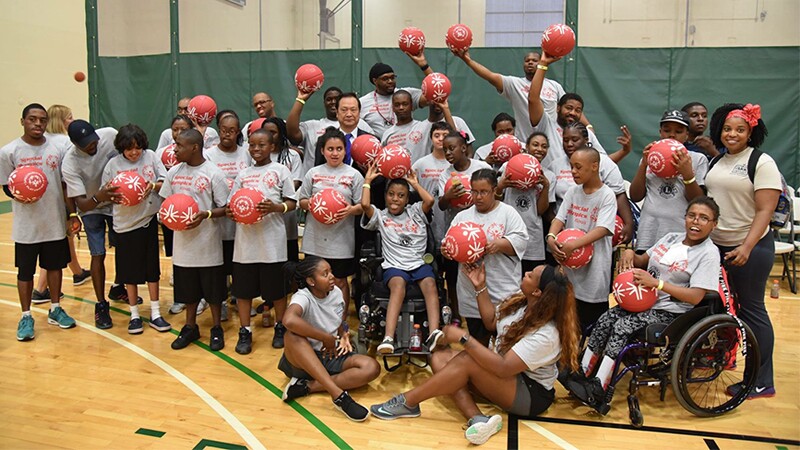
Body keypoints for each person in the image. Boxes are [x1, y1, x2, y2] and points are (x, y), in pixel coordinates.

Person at [370, 262, 579, 446]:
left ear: (537, 293)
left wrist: (463, 338)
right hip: (506, 376)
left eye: (531, 275)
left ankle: (409, 401)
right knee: (439, 357)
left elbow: (504, 367)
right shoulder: (522, 303)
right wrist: (480, 286)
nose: (526, 273)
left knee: (467, 359)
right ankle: (477, 419)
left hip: (530, 394)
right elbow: (490, 322)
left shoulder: (547, 334)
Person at [565, 197, 722, 409]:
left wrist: (657, 284)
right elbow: (641, 261)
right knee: (606, 318)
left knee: (622, 326)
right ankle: (582, 372)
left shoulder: (708, 253)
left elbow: (695, 296)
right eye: (692, 215)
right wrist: (630, 252)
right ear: (684, 217)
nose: (696, 221)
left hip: (673, 312)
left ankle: (599, 387)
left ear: (714, 224)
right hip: (646, 302)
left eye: (704, 218)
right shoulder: (671, 238)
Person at [704, 103, 780, 399]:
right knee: (722, 308)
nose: (732, 134)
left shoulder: (761, 162)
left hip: (751, 248)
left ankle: (761, 381)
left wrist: (746, 246)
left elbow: (765, 210)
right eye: (727, 128)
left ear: (751, 132)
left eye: (740, 129)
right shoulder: (717, 162)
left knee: (752, 312)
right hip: (718, 247)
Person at [1, 104, 78, 340]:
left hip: (53, 221)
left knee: (55, 267)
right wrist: (22, 194)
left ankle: (55, 309)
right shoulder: (9, 151)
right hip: (26, 226)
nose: (38, 124)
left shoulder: (58, 146)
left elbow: (65, 183)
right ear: (22, 120)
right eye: (32, 119)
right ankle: (26, 316)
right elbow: (6, 186)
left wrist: (71, 214)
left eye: (42, 120)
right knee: (25, 272)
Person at [279, 257, 381, 422]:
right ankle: (339, 396)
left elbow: (339, 321)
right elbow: (289, 320)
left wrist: (344, 334)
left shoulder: (337, 292)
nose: (332, 276)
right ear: (311, 281)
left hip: (331, 354)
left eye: (331, 271)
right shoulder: (303, 296)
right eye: (325, 274)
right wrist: (324, 337)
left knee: (372, 367)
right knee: (291, 335)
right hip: (304, 359)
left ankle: (307, 387)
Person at [226, 129, 297, 354]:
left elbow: (292, 203)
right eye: (252, 145)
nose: (256, 149)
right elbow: (231, 204)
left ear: (272, 147)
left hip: (272, 243)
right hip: (245, 244)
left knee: (276, 291)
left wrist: (276, 207)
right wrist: (232, 211)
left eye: (262, 145)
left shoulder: (280, 171)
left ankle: (280, 326)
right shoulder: (243, 174)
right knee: (244, 291)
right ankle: (245, 331)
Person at [361, 163, 443, 354]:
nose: (395, 199)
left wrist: (415, 183)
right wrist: (367, 181)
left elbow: (429, 200)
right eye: (391, 194)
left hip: (418, 263)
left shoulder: (415, 212)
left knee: (430, 284)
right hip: (395, 266)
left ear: (407, 199)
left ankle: (433, 333)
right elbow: (365, 205)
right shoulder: (380, 216)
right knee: (398, 286)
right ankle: (388, 337)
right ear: (385, 196)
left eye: (401, 195)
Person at [160, 129, 230, 351]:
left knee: (213, 292)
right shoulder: (173, 173)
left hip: (208, 244)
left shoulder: (213, 173)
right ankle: (190, 326)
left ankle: (216, 327)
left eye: (179, 145)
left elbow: (225, 207)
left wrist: (205, 215)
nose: (175, 149)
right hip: (183, 243)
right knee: (187, 290)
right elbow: (165, 202)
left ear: (194, 147)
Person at [101, 124, 171, 335]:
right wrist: (117, 193)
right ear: (121, 148)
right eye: (129, 148)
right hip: (124, 225)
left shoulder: (150, 156)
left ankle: (156, 313)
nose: (134, 152)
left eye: (137, 148)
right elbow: (106, 192)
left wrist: (152, 186)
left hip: (147, 221)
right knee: (129, 273)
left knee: (152, 271)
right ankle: (133, 314)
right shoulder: (113, 164)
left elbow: (166, 180)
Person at [444, 169, 528, 345]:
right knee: (478, 345)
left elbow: (521, 241)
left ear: (494, 190)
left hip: (503, 292)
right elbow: (448, 242)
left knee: (506, 342)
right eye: (474, 191)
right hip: (471, 294)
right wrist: (447, 250)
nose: (478, 197)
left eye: (484, 192)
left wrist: (500, 244)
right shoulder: (463, 216)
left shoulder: (508, 213)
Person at [296, 128, 365, 321]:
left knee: (340, 281)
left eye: (339, 149)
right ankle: (314, 321)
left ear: (345, 151)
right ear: (322, 151)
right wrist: (310, 204)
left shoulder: (354, 175)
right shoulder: (313, 173)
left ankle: (339, 323)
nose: (335, 153)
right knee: (314, 282)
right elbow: (301, 200)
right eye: (330, 149)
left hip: (341, 239)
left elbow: (362, 206)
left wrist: (351, 210)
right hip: (315, 238)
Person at [547, 147, 617, 331]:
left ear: (594, 166)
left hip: (595, 272)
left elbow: (602, 229)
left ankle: (589, 359)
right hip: (570, 271)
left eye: (578, 167)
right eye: (571, 166)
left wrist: (573, 245)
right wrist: (551, 237)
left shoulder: (607, 195)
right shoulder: (573, 192)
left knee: (592, 325)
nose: (573, 171)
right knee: (568, 322)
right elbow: (559, 218)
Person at [61, 120, 120, 328]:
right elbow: (82, 205)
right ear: (75, 144)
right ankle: (101, 304)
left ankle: (119, 287)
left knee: (124, 247)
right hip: (91, 206)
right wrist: (99, 197)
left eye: (93, 140)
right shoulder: (70, 163)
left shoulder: (110, 134)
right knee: (98, 254)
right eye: (86, 144)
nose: (92, 145)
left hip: (115, 203)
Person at [452, 48, 571, 144]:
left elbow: (570, 108)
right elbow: (489, 76)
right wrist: (467, 60)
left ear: (541, 62)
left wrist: (589, 126)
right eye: (527, 60)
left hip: (552, 143)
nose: (530, 62)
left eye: (534, 60)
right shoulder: (515, 84)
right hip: (524, 143)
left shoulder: (554, 86)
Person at [629, 110, 708, 251]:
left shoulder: (697, 159)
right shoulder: (651, 158)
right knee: (644, 270)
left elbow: (698, 200)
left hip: (678, 233)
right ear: (660, 132)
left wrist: (687, 174)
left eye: (678, 131)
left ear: (687, 135)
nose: (672, 135)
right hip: (649, 232)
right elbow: (635, 196)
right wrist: (644, 165)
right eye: (666, 130)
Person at [437, 131, 492, 322]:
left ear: (463, 148)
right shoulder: (445, 174)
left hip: (481, 231)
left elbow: (494, 194)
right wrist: (449, 196)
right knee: (452, 277)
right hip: (456, 233)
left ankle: (484, 313)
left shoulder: (481, 167)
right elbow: (442, 205)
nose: (448, 153)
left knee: (480, 273)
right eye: (445, 150)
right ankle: (457, 315)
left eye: (451, 148)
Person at [551, 122, 634, 244]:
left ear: (586, 140)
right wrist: (552, 234)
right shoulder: (555, 166)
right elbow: (553, 207)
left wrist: (629, 223)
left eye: (575, 139)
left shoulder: (604, 164)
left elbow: (619, 194)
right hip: (567, 233)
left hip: (594, 232)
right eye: (565, 140)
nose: (569, 144)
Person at [204, 110, 252, 321]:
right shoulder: (209, 155)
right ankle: (221, 301)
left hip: (242, 222)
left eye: (232, 131)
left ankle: (241, 297)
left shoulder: (247, 153)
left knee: (240, 266)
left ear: (237, 132)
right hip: (219, 220)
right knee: (220, 265)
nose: (227, 134)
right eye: (224, 130)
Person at [39, 104, 89, 292]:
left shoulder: (41, 141)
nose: (72, 120)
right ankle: (41, 289)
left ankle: (77, 272)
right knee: (55, 243)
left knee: (64, 238)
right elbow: (68, 177)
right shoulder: (65, 142)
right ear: (60, 120)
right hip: (61, 199)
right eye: (69, 117)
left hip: (42, 199)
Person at [496, 132, 555, 272]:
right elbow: (495, 201)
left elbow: (540, 211)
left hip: (533, 238)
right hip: (507, 233)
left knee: (531, 280)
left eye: (544, 146)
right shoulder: (508, 167)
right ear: (526, 147)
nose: (540, 149)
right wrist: (501, 186)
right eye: (535, 145)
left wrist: (545, 187)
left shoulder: (549, 175)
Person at [156, 114, 194, 311]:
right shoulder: (162, 153)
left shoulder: (196, 154)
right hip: (173, 215)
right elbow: (162, 185)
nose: (178, 133)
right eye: (175, 129)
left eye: (182, 129)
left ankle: (201, 297)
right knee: (176, 256)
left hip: (195, 217)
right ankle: (180, 297)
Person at [287, 90, 374, 174]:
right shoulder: (324, 140)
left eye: (353, 110)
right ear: (337, 112)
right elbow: (319, 170)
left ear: (359, 112)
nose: (349, 114)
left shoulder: (371, 141)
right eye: (344, 110)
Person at [411, 122, 454, 244]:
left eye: (445, 135)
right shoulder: (420, 164)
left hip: (450, 216)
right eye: (437, 135)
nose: (441, 139)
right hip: (428, 219)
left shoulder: (454, 163)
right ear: (431, 138)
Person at [359, 62, 426, 139]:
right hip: (380, 148)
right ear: (375, 81)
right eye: (385, 79)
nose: (390, 81)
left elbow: (435, 95)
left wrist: (424, 66)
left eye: (392, 77)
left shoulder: (405, 95)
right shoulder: (363, 102)